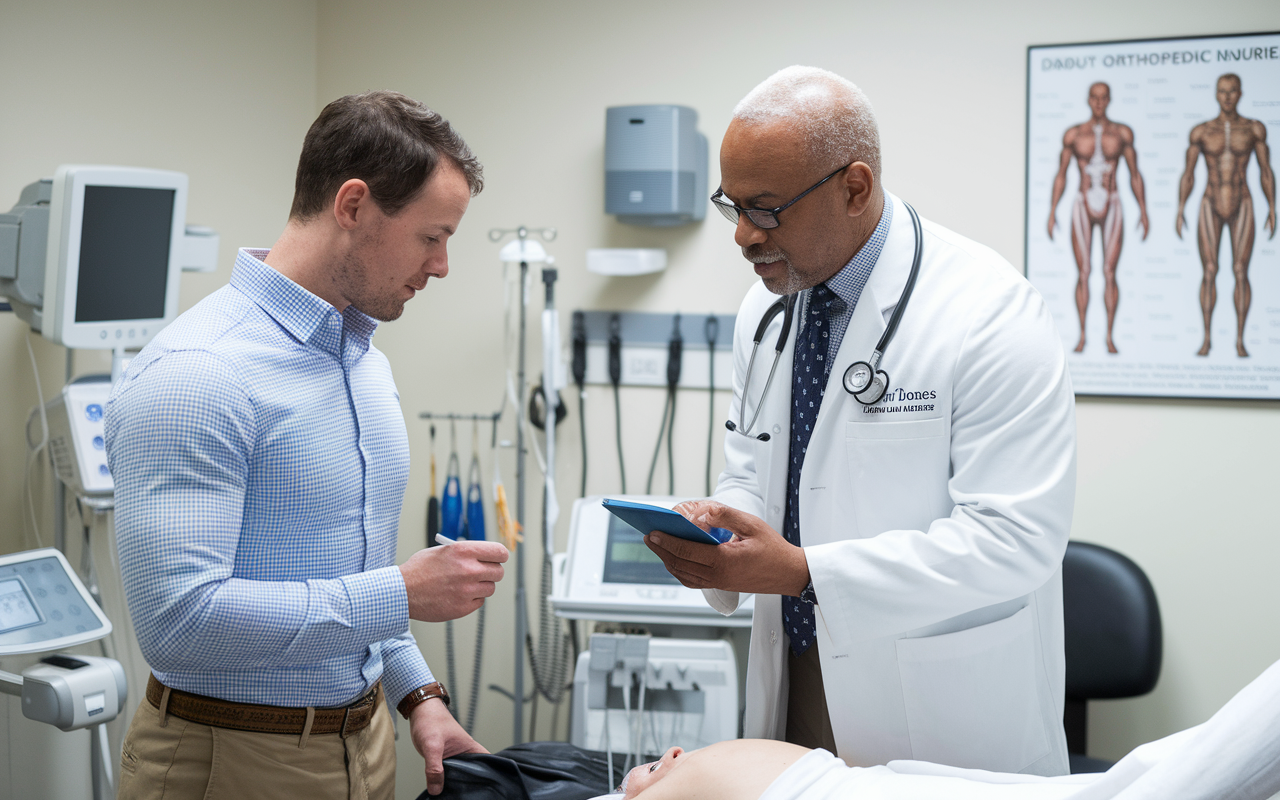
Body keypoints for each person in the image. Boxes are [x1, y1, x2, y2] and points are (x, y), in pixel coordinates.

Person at [644, 66, 1076, 776]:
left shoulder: (990, 312)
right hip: (798, 674)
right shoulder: (766, 310)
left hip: (938, 706)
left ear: (854, 188)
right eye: (733, 206)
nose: (744, 236)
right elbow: (752, 466)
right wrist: (721, 532)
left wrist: (806, 573)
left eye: (767, 209)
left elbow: (1015, 541)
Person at [105, 91, 510, 800]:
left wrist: (420, 696)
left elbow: (343, 572)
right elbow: (180, 624)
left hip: (365, 744)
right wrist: (405, 590)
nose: (442, 266)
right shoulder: (202, 373)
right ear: (352, 205)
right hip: (228, 760)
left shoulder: (362, 362)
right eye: (430, 236)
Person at [600, 652, 1280, 800]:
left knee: (1136, 787)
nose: (661, 758)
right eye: (653, 765)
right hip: (854, 790)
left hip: (852, 785)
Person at [1176, 73, 1276, 357]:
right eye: (1222, 91)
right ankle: (1207, 339)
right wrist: (1181, 207)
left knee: (1240, 271)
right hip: (1210, 201)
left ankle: (1240, 341)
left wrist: (1272, 206)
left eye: (1232, 91)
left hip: (1242, 200)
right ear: (1216, 94)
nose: (1228, 96)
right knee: (1209, 271)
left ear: (1240, 93)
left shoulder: (1253, 129)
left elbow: (1266, 171)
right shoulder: (1202, 131)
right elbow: (1189, 173)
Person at [1047, 81, 1150, 354]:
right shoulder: (1074, 135)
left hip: (1112, 201)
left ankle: (1108, 337)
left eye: (1104, 98)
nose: (1099, 102)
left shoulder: (1121, 134)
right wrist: (1052, 210)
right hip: (1082, 202)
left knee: (1109, 272)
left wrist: (1143, 209)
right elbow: (1062, 174)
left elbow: (1134, 173)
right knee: (1084, 272)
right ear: (1088, 100)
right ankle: (1082, 336)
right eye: (1095, 97)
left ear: (1109, 100)